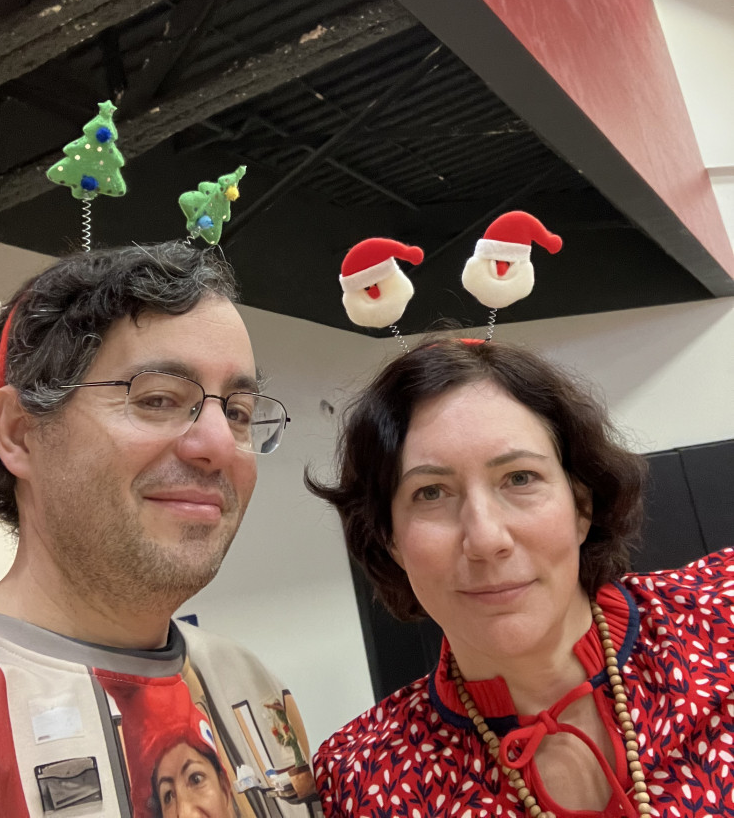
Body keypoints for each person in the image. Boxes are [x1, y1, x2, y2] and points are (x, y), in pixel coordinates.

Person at [0, 242, 322, 816]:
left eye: (236, 411)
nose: (218, 444)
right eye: (158, 399)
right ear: (19, 433)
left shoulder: (250, 685)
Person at [308, 337, 734, 818]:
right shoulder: (360, 779)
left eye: (519, 478)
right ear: (390, 540)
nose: (486, 538)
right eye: (431, 492)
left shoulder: (725, 610)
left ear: (581, 505)